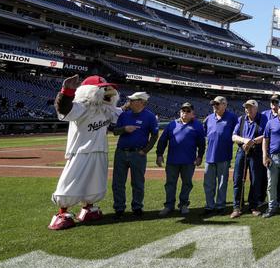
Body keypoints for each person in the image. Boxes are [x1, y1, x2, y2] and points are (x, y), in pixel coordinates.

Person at [49, 75, 123, 230]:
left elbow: (123, 112)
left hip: (100, 151)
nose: (109, 92)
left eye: (109, 89)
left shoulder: (107, 109)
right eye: (104, 89)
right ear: (91, 91)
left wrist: (137, 102)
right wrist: (67, 91)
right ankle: (62, 212)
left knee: (96, 181)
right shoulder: (82, 107)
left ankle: (88, 207)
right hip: (81, 151)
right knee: (71, 180)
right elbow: (65, 109)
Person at [111, 91, 159, 220]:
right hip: (121, 152)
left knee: (137, 182)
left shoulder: (150, 117)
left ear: (142, 102)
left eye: (133, 100)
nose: (130, 102)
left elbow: (155, 135)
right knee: (118, 182)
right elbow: (115, 131)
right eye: (130, 100)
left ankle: (137, 207)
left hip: (138, 153)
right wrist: (124, 129)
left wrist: (145, 151)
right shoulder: (124, 115)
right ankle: (119, 208)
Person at [156, 102, 206, 216]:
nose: (185, 113)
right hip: (172, 161)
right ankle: (169, 206)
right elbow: (163, 140)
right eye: (183, 110)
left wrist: (200, 157)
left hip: (189, 161)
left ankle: (183, 205)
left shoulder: (197, 126)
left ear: (192, 113)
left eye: (188, 111)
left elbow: (201, 144)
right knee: (170, 184)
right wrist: (159, 154)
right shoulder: (172, 124)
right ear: (180, 112)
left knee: (187, 183)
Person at [202, 96, 239, 215]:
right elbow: (204, 134)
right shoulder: (208, 118)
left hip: (224, 156)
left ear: (225, 105)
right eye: (214, 104)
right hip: (209, 156)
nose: (215, 106)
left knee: (222, 183)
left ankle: (220, 206)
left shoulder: (232, 118)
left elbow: (238, 133)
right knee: (208, 183)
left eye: (217, 104)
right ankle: (209, 206)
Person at [230, 100, 266, 218]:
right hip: (242, 151)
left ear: (256, 108)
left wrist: (253, 142)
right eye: (246, 108)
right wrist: (245, 141)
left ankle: (253, 206)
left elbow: (266, 135)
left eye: (250, 107)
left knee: (255, 180)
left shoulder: (262, 119)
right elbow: (234, 136)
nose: (248, 110)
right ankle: (237, 207)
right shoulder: (241, 119)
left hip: (256, 152)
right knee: (238, 179)